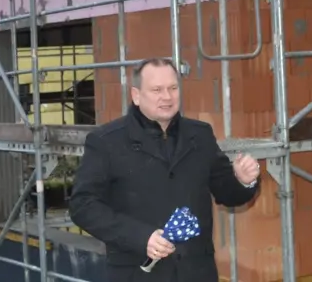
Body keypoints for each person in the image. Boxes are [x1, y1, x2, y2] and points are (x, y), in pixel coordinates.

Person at [70, 58, 261, 282]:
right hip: (137, 273)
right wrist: (141, 237)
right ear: (136, 95)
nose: (167, 97)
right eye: (157, 90)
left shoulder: (200, 135)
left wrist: (243, 180)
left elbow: (226, 192)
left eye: (173, 88)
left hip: (196, 273)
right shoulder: (107, 141)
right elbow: (83, 205)